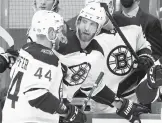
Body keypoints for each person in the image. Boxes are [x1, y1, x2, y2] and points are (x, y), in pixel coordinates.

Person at [56, 3, 150, 123]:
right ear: (78, 22)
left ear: (98, 29)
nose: (86, 28)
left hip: (60, 111)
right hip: (45, 108)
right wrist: (64, 109)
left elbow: (93, 87)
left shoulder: (96, 52)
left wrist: (122, 105)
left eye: (92, 24)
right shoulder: (62, 45)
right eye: (84, 22)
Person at [2, 10, 87, 123]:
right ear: (51, 33)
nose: (62, 36)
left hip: (12, 116)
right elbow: (37, 95)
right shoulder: (46, 57)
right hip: (31, 120)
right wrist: (68, 112)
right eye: (60, 31)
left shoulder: (26, 50)